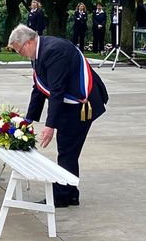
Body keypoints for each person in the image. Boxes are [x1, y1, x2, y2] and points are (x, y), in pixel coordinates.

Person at [9, 24, 108, 207]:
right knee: (67, 150)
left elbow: (56, 90)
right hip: (69, 104)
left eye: (19, 49)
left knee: (67, 150)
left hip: (82, 105)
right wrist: (28, 120)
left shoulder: (55, 51)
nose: (19, 54)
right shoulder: (38, 53)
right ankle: (69, 193)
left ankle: (62, 196)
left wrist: (50, 126)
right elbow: (39, 88)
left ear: (29, 42)